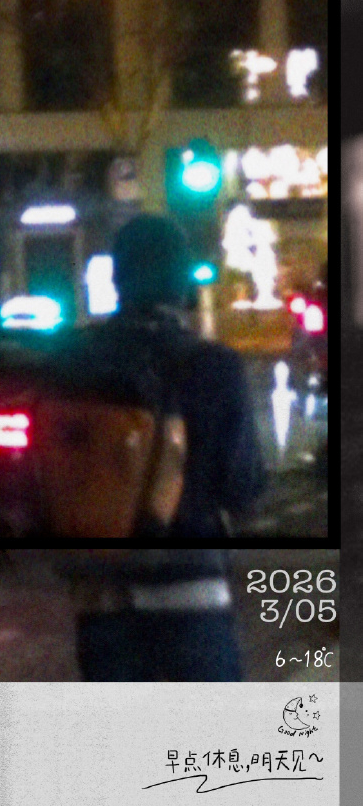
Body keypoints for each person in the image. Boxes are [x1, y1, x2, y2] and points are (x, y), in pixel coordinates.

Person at [50, 213, 266, 681]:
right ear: (181, 283)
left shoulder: (73, 361)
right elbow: (243, 488)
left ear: (117, 279)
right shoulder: (215, 367)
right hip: (193, 596)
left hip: (102, 601)